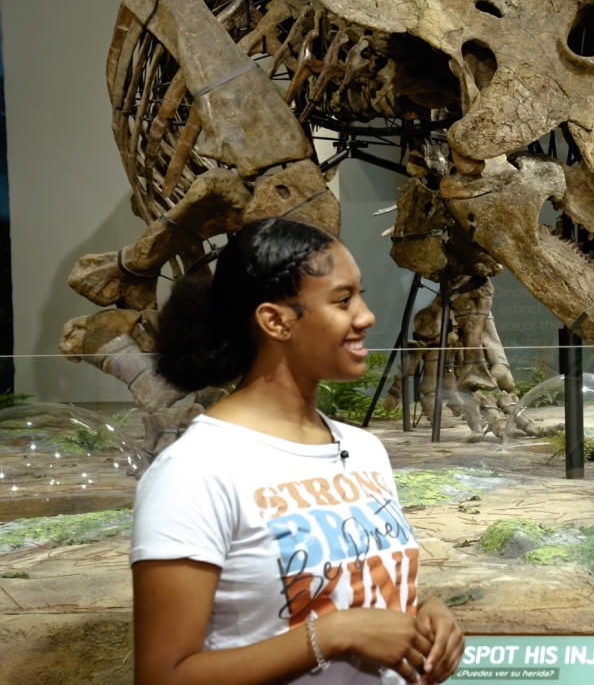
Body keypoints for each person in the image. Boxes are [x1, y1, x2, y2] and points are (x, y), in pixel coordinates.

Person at [132, 217, 464, 684]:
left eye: (359, 296)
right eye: (342, 300)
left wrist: (424, 614)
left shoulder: (365, 450)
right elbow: (163, 677)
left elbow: (357, 594)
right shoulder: (194, 472)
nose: (365, 316)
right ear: (275, 320)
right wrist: (330, 635)